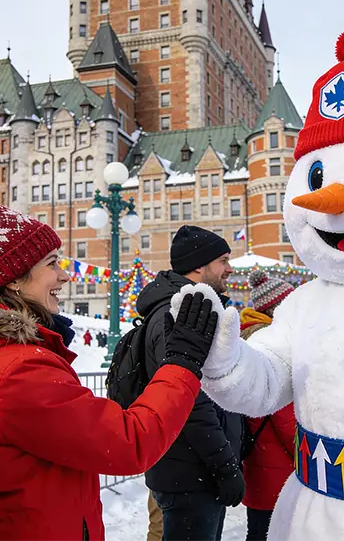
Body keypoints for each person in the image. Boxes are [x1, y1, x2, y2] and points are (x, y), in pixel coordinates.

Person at [0, 194, 219, 541]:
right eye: (51, 263)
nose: (64, 275)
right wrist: (181, 364)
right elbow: (129, 442)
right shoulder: (15, 368)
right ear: (13, 279)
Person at [136, 225, 243, 541]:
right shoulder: (180, 313)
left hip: (194, 470)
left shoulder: (195, 306)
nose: (229, 268)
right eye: (223, 260)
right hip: (190, 475)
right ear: (199, 265)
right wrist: (225, 467)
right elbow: (189, 401)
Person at [239, 271, 297, 541]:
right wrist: (305, 451)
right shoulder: (269, 346)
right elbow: (283, 415)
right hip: (278, 465)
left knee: (261, 530)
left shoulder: (250, 339)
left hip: (262, 462)